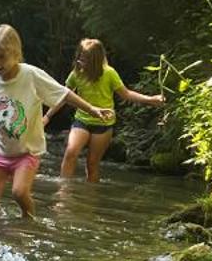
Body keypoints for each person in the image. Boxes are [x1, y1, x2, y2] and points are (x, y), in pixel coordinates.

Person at [0, 23, 111, 218]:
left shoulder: (30, 75)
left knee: (19, 192)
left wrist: (91, 109)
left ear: (16, 54)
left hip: (27, 151)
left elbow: (64, 93)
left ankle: (29, 222)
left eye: (3, 57)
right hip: (0, 151)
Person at [46, 37, 166, 181]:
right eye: (79, 57)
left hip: (104, 124)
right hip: (82, 120)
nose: (80, 61)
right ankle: (63, 194)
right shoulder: (76, 74)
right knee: (71, 153)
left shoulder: (109, 73)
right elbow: (63, 97)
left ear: (95, 60)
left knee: (92, 164)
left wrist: (151, 99)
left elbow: (126, 94)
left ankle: (90, 198)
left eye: (84, 59)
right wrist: (47, 116)